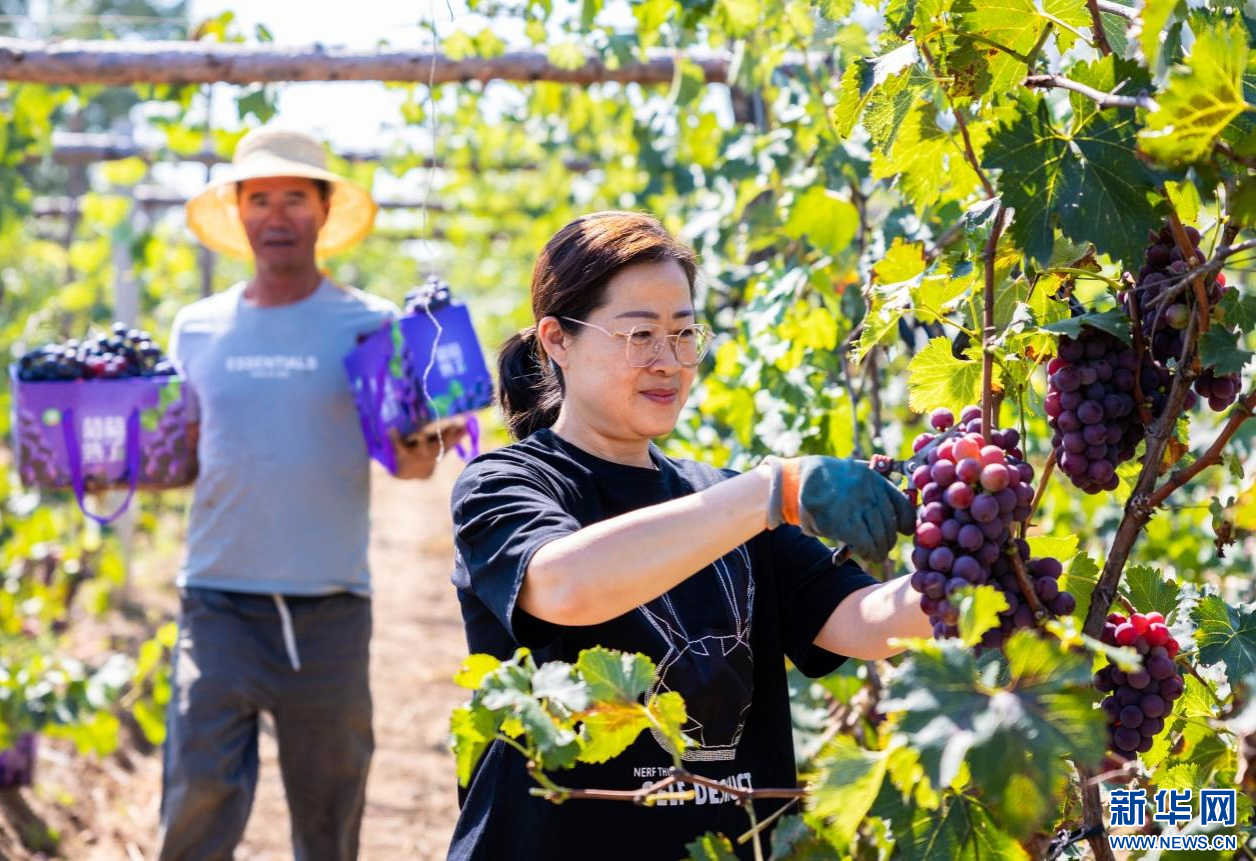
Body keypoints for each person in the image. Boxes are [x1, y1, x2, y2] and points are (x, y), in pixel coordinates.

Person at [446, 211, 931, 859]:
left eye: (682, 333)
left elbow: (860, 622)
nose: (668, 361)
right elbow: (564, 585)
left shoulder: (725, 497)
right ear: (556, 339)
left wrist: (967, 568)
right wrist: (773, 490)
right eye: (640, 333)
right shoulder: (505, 485)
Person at [161, 126, 467, 860]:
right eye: (259, 198)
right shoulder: (196, 328)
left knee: (329, 817)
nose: (275, 215)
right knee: (197, 795)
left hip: (329, 609)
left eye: (293, 199)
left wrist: (427, 438)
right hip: (217, 600)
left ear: (324, 211)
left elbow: (409, 465)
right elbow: (179, 459)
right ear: (237, 212)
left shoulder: (369, 325)